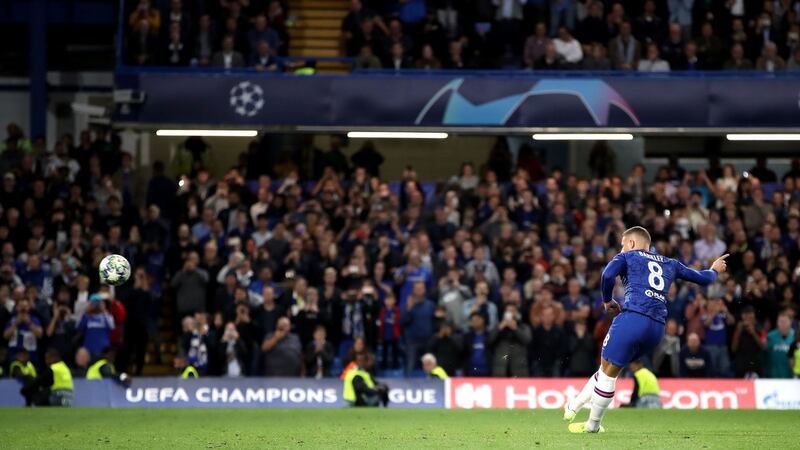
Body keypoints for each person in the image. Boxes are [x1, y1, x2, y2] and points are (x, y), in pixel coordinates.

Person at [566, 226, 728, 433]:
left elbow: (607, 276)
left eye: (623, 244)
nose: (622, 248)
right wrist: (714, 269)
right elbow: (704, 278)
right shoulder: (671, 263)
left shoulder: (627, 256)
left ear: (631, 243)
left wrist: (607, 301)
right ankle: (574, 405)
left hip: (633, 318)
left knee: (608, 374)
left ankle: (593, 425)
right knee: (607, 368)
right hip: (657, 329)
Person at [765, 312, 795, 378]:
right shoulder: (770, 337)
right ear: (777, 323)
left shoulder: (795, 337)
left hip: (791, 377)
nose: (782, 324)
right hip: (772, 377)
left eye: (785, 321)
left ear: (790, 322)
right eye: (780, 321)